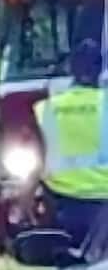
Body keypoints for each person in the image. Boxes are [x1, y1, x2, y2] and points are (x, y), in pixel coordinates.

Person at [16, 39, 108, 249]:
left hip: (64, 203)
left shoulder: (47, 108)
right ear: (99, 70)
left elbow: (36, 165)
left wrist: (23, 206)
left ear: (72, 69)